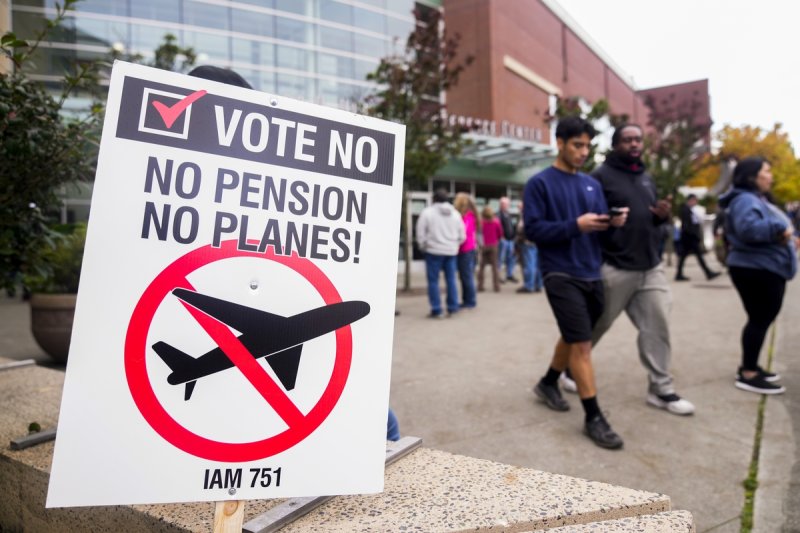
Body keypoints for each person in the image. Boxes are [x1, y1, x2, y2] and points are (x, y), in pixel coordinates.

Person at [524, 116, 627, 450]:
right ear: (560, 143)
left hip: (591, 271)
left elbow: (595, 228)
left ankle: (548, 382)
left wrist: (612, 223)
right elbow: (534, 231)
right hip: (559, 272)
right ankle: (594, 416)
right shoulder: (539, 184)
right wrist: (575, 225)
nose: (584, 152)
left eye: (587, 146)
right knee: (582, 343)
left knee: (573, 335)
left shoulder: (591, 185)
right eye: (577, 145)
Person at [577, 124, 695, 416]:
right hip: (614, 266)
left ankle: (661, 389)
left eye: (638, 139)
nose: (633, 144)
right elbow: (587, 221)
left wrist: (661, 218)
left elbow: (649, 219)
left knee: (658, 326)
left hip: (650, 267)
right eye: (627, 139)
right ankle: (569, 369)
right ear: (615, 144)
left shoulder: (646, 178)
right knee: (596, 325)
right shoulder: (599, 178)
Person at [719, 157, 796, 394]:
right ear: (752, 176)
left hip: (761, 266)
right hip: (757, 268)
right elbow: (749, 229)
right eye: (766, 171)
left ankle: (750, 366)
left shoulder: (753, 199)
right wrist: (781, 230)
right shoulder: (745, 199)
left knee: (760, 319)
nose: (770, 176)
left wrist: (789, 239)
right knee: (760, 319)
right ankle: (748, 373)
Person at [416, 189, 465, 318]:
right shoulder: (456, 214)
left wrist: (423, 246)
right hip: (451, 252)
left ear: (434, 199)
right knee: (451, 280)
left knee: (433, 281)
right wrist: (454, 245)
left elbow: (420, 233)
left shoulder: (427, 213)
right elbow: (462, 235)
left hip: (433, 251)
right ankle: (453, 307)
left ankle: (436, 310)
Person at [675, 194, 721, 281]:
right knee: (697, 255)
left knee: (686, 256)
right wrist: (694, 235)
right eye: (695, 200)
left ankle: (679, 274)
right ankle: (708, 272)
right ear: (691, 200)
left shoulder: (690, 210)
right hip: (689, 237)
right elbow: (687, 225)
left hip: (689, 237)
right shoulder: (685, 209)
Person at [454, 193, 479, 309]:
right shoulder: (468, 215)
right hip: (466, 249)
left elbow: (463, 232)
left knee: (467, 276)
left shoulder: (468, 216)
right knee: (465, 276)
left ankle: (470, 301)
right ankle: (466, 300)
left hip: (466, 249)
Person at [515, 201, 542, 294]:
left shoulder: (526, 214)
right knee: (537, 264)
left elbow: (521, 227)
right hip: (538, 241)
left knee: (529, 264)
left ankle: (529, 285)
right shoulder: (540, 211)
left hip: (528, 242)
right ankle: (538, 284)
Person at [478, 205, 503, 292]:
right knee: (495, 267)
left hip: (484, 245)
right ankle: (496, 286)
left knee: (481, 267)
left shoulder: (481, 222)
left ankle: (480, 285)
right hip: (493, 245)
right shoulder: (496, 222)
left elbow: (478, 233)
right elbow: (500, 233)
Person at [498, 197, 518, 282]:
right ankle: (498, 276)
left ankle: (509, 274)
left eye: (507, 204)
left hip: (511, 240)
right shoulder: (498, 215)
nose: (505, 205)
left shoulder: (508, 214)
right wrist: (501, 237)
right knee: (501, 258)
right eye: (504, 204)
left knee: (511, 258)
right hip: (503, 240)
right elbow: (498, 228)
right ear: (501, 205)